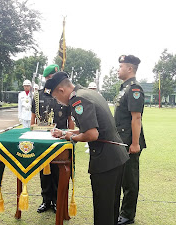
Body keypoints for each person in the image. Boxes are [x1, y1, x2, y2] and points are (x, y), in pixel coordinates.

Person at [45, 72, 129, 225]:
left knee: (103, 210)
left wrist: (70, 137)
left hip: (105, 161)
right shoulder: (88, 93)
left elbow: (91, 134)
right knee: (111, 207)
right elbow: (91, 127)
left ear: (61, 90)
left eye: (56, 97)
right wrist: (66, 132)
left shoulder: (78, 100)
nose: (58, 101)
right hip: (116, 157)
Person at [31, 64, 74, 213]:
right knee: (44, 171)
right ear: (47, 79)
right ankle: (46, 200)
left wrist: (71, 136)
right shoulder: (38, 95)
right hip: (43, 138)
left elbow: (70, 118)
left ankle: (58, 200)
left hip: (61, 139)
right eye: (52, 78)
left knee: (59, 170)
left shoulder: (66, 95)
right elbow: (33, 119)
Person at [114, 55, 147, 225]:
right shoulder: (125, 88)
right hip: (121, 140)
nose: (118, 69)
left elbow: (136, 118)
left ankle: (127, 215)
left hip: (129, 142)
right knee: (122, 178)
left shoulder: (134, 89)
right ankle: (122, 211)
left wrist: (135, 143)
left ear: (129, 69)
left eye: (120, 66)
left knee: (130, 180)